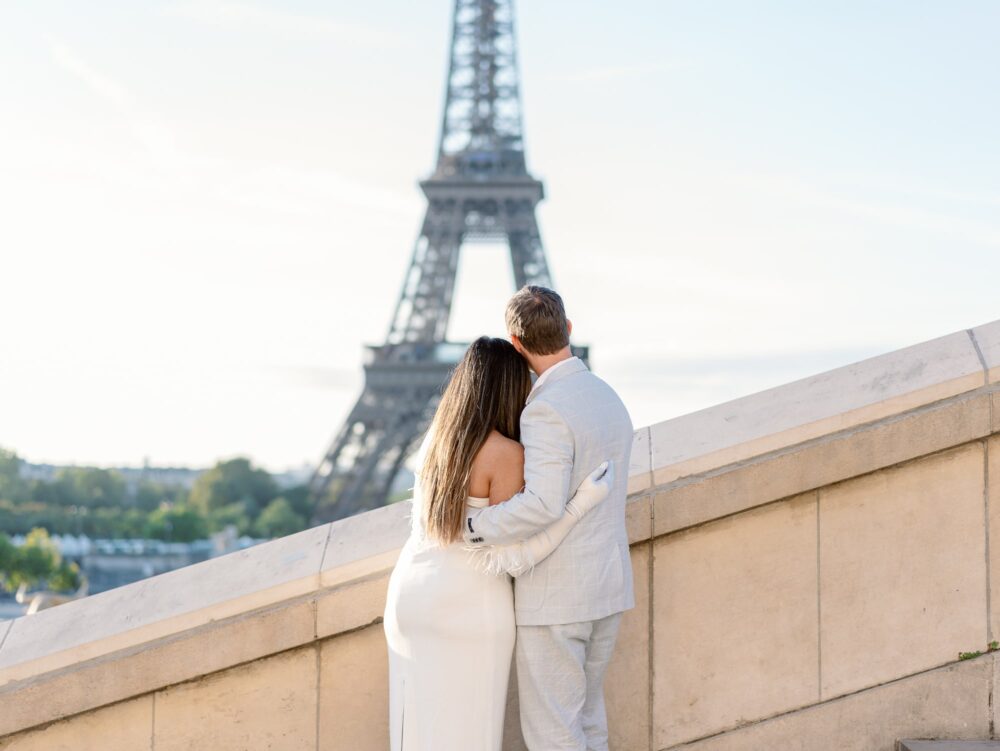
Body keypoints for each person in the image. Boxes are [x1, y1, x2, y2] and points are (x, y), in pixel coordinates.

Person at [383, 335, 613, 751]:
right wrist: (579, 507)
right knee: (469, 730)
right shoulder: (504, 454)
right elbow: (513, 560)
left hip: (409, 596)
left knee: (416, 728)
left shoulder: (433, 443)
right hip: (468, 603)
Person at [464, 285, 635, 751]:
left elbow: (541, 504)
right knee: (589, 722)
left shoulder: (545, 409)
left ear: (515, 343)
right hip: (608, 585)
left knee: (553, 734)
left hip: (557, 598)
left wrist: (475, 528)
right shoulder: (606, 396)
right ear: (569, 330)